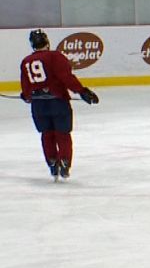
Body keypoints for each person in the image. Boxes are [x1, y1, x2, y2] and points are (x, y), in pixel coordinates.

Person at [18, 29, 100, 180]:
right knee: (62, 134)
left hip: (38, 106)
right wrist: (82, 91)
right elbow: (66, 77)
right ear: (47, 42)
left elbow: (26, 86)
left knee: (47, 134)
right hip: (57, 102)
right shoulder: (55, 56)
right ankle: (64, 162)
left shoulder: (26, 61)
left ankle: (52, 163)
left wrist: (27, 96)